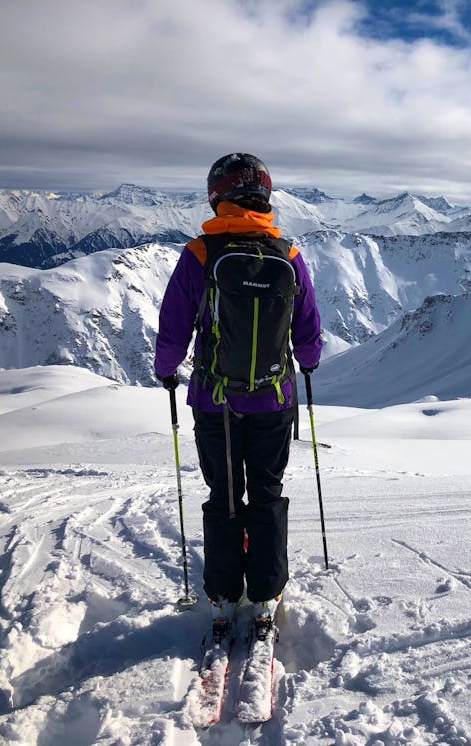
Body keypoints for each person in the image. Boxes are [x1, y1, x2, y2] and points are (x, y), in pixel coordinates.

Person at [154, 153, 322, 642]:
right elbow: (308, 326)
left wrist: (167, 371)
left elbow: (174, 325)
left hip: (215, 402)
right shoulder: (288, 255)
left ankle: (224, 596)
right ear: (265, 195)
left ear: (216, 196)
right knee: (267, 493)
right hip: (274, 398)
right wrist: (307, 362)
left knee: (225, 496)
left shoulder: (199, 254)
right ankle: (266, 594)